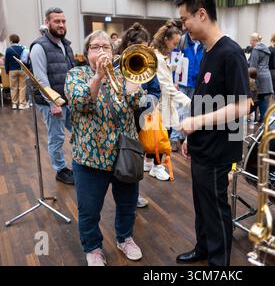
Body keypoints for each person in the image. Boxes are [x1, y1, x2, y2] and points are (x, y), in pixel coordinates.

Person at [175, 0, 251, 266]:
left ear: (202, 14)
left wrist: (196, 122)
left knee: (217, 210)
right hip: (202, 147)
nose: (184, 27)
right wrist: (190, 138)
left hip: (219, 151)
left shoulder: (231, 53)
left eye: (185, 20)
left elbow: (243, 106)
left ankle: (219, 264)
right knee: (202, 205)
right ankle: (203, 248)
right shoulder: (207, 51)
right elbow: (204, 98)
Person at [65, 30, 143, 266]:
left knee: (128, 204)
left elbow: (134, 103)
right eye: (96, 47)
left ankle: (125, 238)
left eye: (106, 47)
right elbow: (80, 103)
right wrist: (98, 76)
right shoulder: (75, 74)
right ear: (87, 52)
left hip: (124, 154)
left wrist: (133, 78)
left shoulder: (123, 73)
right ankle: (93, 248)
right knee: (89, 209)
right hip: (90, 157)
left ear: (113, 51)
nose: (101, 51)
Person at [30, 7, 75, 185]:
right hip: (52, 103)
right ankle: (60, 169)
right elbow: (40, 78)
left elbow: (72, 73)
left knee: (78, 131)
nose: (61, 25)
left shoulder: (66, 45)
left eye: (63, 21)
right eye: (57, 21)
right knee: (56, 137)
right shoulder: (39, 46)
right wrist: (52, 103)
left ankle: (80, 162)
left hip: (69, 99)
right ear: (47, 23)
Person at [117, 22, 156, 208]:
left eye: (145, 47)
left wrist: (145, 102)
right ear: (128, 46)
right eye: (139, 47)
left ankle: (133, 195)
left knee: (133, 156)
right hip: (117, 117)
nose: (143, 50)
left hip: (138, 116)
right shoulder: (117, 64)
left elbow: (156, 91)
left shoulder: (148, 63)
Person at [146, 20, 191, 181]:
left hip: (161, 102)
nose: (176, 45)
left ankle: (150, 162)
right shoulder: (158, 58)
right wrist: (188, 101)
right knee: (162, 136)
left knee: (156, 135)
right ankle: (157, 167)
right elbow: (165, 86)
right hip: (161, 103)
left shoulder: (159, 56)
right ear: (165, 39)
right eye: (174, 42)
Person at [170, 30, 204, 151]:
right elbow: (174, 60)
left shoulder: (202, 43)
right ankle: (174, 138)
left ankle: (184, 137)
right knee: (179, 111)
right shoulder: (182, 41)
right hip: (182, 82)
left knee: (191, 111)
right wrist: (174, 80)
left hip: (196, 83)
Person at [248, 33, 273, 123]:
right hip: (267, 76)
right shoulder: (266, 49)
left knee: (257, 98)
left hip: (259, 77)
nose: (250, 42)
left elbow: (253, 66)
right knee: (262, 99)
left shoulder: (256, 49)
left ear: (254, 40)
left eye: (250, 40)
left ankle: (262, 119)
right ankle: (263, 119)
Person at [5, 34, 29, 110]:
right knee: (22, 87)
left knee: (13, 87)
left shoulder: (8, 49)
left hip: (12, 70)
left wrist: (7, 71)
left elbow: (6, 62)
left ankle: (14, 104)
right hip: (22, 69)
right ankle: (22, 104)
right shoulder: (23, 48)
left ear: (11, 41)